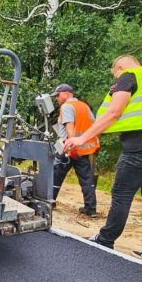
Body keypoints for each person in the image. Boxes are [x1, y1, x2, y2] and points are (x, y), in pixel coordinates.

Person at [63, 55, 142, 266]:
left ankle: (105, 240)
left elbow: (114, 112)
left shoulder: (128, 76)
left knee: (121, 193)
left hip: (141, 145)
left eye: (115, 74)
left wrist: (83, 138)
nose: (116, 78)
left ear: (119, 67)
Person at [50, 84, 99, 217]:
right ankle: (91, 208)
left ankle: (50, 202)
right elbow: (94, 126)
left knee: (55, 175)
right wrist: (96, 144)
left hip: (68, 148)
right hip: (83, 150)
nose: (56, 99)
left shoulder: (67, 106)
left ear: (67, 93)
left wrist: (72, 146)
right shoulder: (84, 106)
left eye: (58, 95)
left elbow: (70, 126)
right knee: (87, 179)